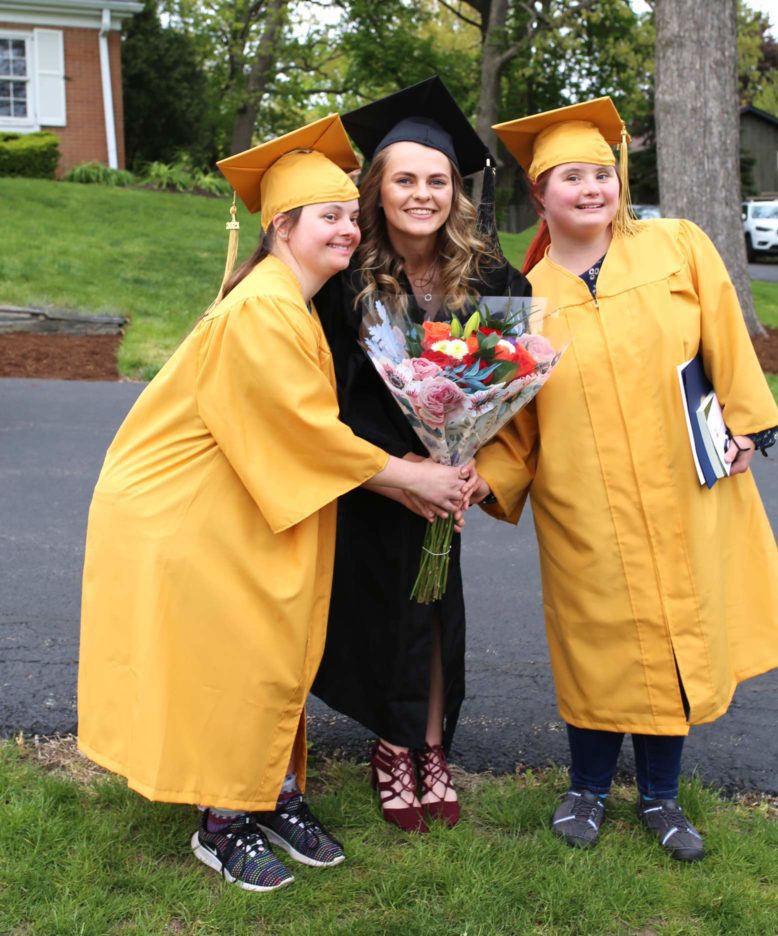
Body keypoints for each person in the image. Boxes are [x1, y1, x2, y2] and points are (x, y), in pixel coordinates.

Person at [77, 115, 467, 892]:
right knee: (233, 658)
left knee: (272, 648)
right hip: (191, 512)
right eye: (327, 218)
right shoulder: (263, 308)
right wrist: (410, 475)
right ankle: (222, 824)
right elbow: (303, 432)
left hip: (246, 501)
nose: (347, 231)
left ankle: (272, 792)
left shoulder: (295, 299)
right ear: (280, 226)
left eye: (350, 218)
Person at [472, 96, 778, 861]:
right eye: (569, 176)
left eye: (601, 173)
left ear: (620, 182)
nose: (590, 188)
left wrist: (746, 422)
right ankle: (586, 786)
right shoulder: (526, 298)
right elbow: (518, 422)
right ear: (540, 194)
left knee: (675, 637)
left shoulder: (677, 246)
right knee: (595, 644)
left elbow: (726, 337)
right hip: (584, 504)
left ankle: (663, 798)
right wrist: (477, 479)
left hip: (684, 485)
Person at [311, 78, 532, 833]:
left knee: (439, 612)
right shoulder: (341, 281)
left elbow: (509, 386)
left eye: (436, 180)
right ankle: (391, 743)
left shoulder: (496, 278)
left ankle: (430, 744)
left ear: (455, 191)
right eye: (404, 179)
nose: (422, 193)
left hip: (449, 477)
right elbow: (325, 396)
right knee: (380, 607)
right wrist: (402, 473)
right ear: (377, 188)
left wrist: (465, 473)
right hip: (371, 477)